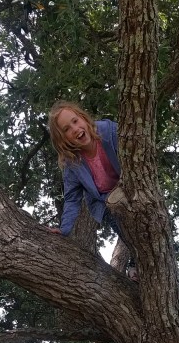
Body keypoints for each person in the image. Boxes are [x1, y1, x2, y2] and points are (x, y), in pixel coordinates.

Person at [47, 101, 127, 244]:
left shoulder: (110, 131)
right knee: (120, 226)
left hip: (130, 187)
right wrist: (64, 229)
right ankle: (135, 256)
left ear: (83, 117)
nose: (75, 129)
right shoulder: (72, 163)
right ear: (62, 140)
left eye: (75, 121)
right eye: (66, 129)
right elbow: (72, 198)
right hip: (108, 201)